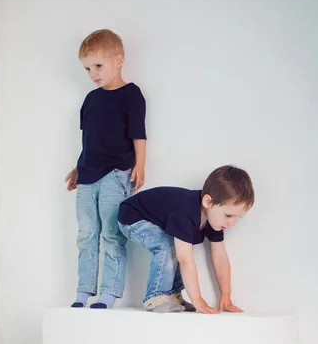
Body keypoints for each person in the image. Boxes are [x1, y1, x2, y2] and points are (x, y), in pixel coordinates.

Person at [65, 29, 147, 309]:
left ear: (119, 60)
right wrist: (77, 168)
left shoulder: (131, 95)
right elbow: (89, 139)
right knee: (86, 234)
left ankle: (109, 292)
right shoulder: (90, 99)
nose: (93, 73)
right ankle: (83, 291)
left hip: (115, 174)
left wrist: (140, 165)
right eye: (88, 68)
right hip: (87, 177)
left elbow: (139, 134)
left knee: (111, 233)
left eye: (98, 66)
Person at [118, 165, 254, 313]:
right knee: (168, 246)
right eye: (228, 215)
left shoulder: (214, 220)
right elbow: (185, 260)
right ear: (208, 202)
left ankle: (173, 296)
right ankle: (156, 299)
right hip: (132, 216)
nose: (232, 224)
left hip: (152, 218)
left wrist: (226, 295)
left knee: (178, 247)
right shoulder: (186, 212)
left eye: (237, 218)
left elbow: (220, 258)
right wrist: (197, 299)